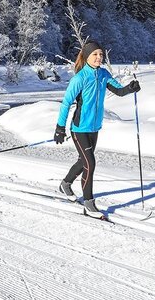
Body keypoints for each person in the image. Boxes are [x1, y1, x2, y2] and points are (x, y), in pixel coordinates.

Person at [55, 40, 140, 218]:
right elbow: (66, 103)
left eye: (101, 54)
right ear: (87, 56)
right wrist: (60, 128)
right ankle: (89, 204)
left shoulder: (103, 74)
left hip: (94, 127)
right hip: (79, 128)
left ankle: (65, 184)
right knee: (90, 164)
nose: (99, 57)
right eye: (95, 54)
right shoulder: (80, 78)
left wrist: (130, 88)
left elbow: (119, 91)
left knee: (83, 161)